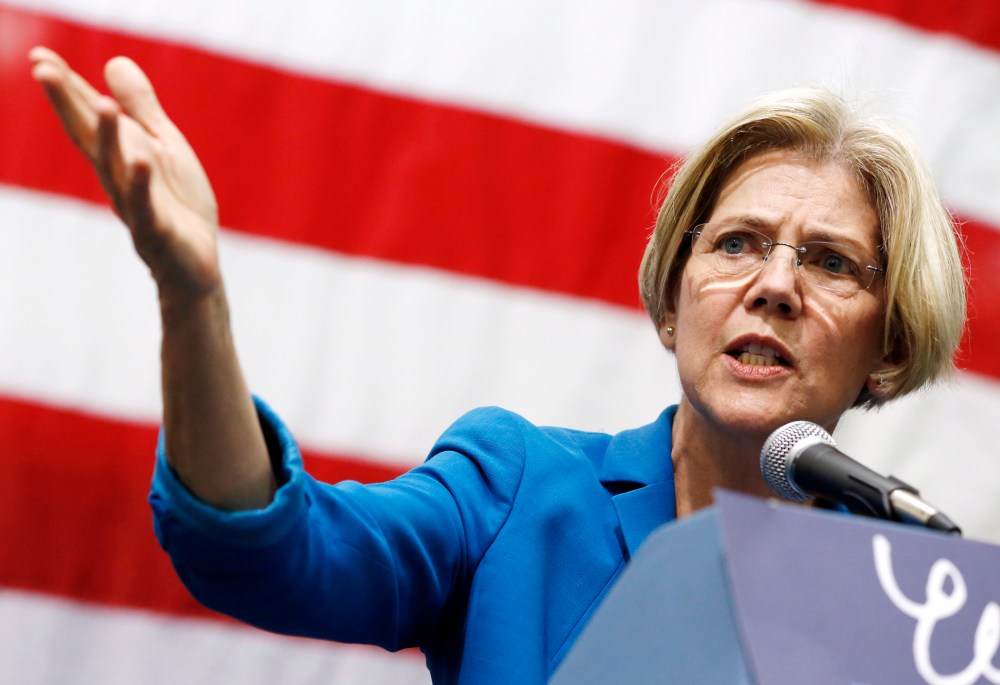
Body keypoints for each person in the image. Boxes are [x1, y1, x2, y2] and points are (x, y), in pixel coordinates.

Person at [29, 46, 965, 685]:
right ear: (674, 296)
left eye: (831, 261)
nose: (773, 285)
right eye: (737, 244)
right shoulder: (522, 491)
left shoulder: (913, 596)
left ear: (889, 344)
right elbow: (275, 552)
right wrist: (194, 302)